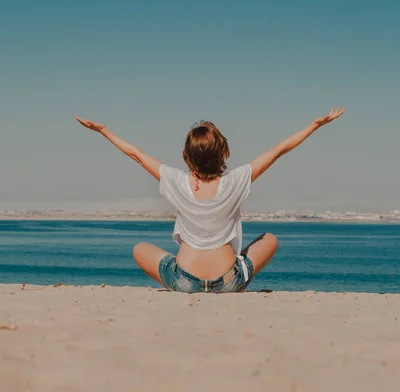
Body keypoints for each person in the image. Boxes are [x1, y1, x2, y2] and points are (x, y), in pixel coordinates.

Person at [76, 106, 345, 293]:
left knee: (139, 249)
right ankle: (236, 280)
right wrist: (314, 125)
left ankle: (187, 277)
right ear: (224, 153)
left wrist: (103, 131)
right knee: (270, 238)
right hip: (229, 282)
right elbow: (277, 151)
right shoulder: (237, 180)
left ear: (186, 157)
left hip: (184, 281)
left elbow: (136, 153)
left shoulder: (176, 181)